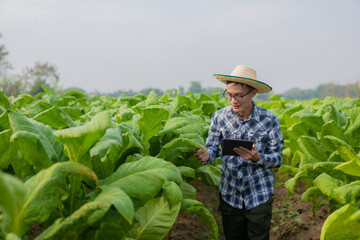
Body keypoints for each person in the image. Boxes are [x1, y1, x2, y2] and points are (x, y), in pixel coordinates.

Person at [193, 65, 284, 240]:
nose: (233, 100)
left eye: (239, 95)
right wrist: (206, 156)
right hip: (230, 193)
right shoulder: (220, 117)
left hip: (259, 193)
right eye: (229, 94)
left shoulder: (269, 120)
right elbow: (212, 148)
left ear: (253, 93)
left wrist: (259, 158)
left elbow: (278, 158)